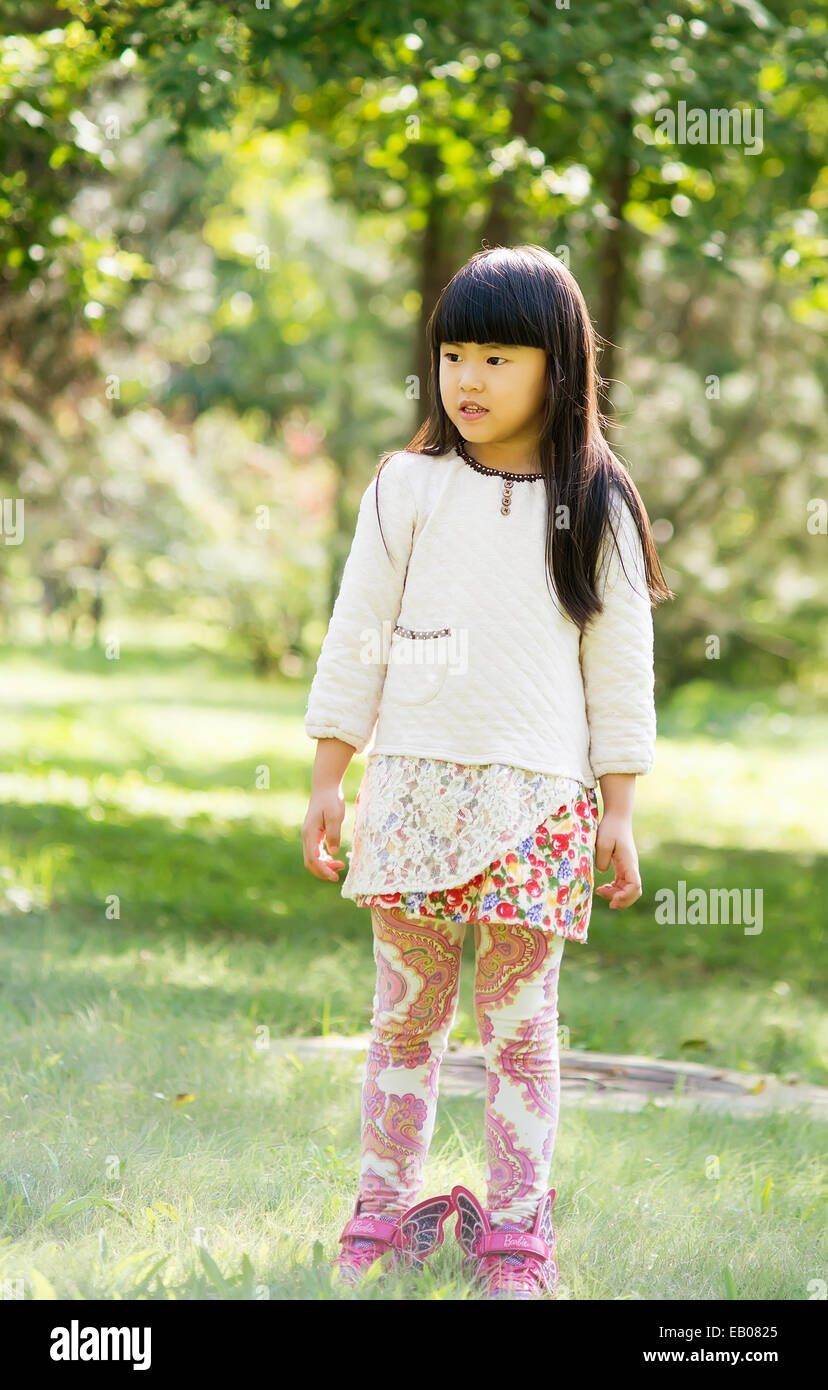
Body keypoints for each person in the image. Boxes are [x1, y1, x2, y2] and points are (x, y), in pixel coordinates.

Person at [301, 243, 673, 1299]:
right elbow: (356, 634)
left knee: (521, 1029)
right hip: (412, 791)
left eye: (497, 357)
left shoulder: (595, 499)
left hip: (538, 802)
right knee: (405, 1019)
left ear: (559, 366)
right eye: (453, 353)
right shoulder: (408, 488)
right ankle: (377, 1218)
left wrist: (620, 806)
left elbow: (621, 666)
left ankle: (517, 1236)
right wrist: (331, 776)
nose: (467, 378)